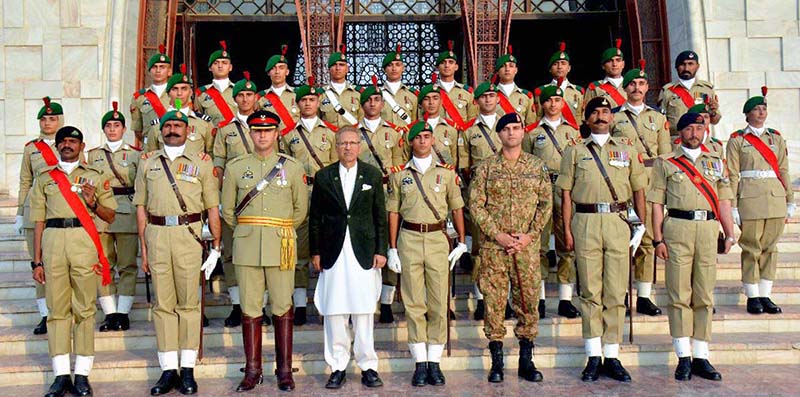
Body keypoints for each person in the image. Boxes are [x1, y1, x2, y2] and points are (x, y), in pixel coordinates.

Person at [557, 97, 647, 382]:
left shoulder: (627, 151)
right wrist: (568, 230)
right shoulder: (574, 152)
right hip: (585, 222)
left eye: (606, 112)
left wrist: (642, 226)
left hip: (618, 222)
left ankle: (612, 354)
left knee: (615, 291)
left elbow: (639, 191)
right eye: (595, 112)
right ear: (586, 119)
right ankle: (593, 355)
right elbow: (566, 194)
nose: (600, 116)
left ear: (612, 117)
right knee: (590, 292)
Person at [134, 108, 222, 396]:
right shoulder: (147, 163)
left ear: (187, 130)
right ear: (161, 131)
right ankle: (167, 368)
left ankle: (187, 369)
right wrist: (144, 248)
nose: (172, 129)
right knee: (162, 305)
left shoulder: (202, 163)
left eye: (178, 125)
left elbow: (211, 206)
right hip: (157, 234)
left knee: (188, 304)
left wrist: (216, 247)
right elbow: (141, 208)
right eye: (168, 125)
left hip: (189, 235)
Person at [221, 110, 308, 392]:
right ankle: (253, 370)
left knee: (283, 307)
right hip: (246, 245)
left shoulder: (292, 167)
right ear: (250, 133)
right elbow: (228, 211)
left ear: (276, 133)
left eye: (268, 130)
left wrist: (276, 228)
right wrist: (252, 228)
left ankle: (284, 370)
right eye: (257, 130)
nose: (262, 135)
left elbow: (300, 210)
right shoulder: (235, 167)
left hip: (281, 243)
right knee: (249, 308)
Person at [30, 126, 117, 397]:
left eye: (73, 141)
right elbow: (39, 221)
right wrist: (37, 262)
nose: (68, 145)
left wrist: (92, 203)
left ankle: (81, 374)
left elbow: (110, 215)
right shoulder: (45, 178)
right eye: (63, 141)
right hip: (53, 242)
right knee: (57, 311)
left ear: (82, 145)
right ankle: (60, 375)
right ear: (57, 146)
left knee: (84, 309)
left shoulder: (95, 176)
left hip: (83, 241)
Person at [649, 112, 735, 381]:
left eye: (700, 127)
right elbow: (656, 204)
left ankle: (701, 355)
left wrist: (730, 233)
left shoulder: (716, 162)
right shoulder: (666, 163)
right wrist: (658, 238)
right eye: (690, 128)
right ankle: (683, 356)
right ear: (681, 132)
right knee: (678, 293)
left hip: (708, 229)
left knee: (704, 294)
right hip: (677, 227)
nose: (695, 132)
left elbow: (723, 201)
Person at [470, 112, 551, 383]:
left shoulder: (536, 166)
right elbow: (476, 206)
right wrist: (498, 235)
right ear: (499, 134)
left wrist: (530, 236)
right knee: (493, 304)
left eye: (517, 128)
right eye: (507, 129)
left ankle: (526, 360)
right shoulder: (486, 168)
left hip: (526, 249)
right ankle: (497, 361)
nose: (512, 133)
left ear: (523, 132)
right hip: (495, 249)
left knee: (528, 302)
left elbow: (545, 205)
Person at [386, 122, 466, 387]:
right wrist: (393, 247)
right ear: (410, 141)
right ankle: (420, 362)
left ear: (433, 140)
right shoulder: (399, 175)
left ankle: (435, 361)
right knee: (413, 302)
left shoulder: (446, 173)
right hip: (409, 238)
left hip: (437, 239)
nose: (422, 141)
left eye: (426, 136)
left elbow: (457, 208)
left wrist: (462, 243)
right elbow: (394, 212)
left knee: (438, 301)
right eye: (417, 137)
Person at [310, 127, 387, 389]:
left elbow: (380, 216)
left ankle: (368, 366)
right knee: (335, 311)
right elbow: (316, 218)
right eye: (343, 143)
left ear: (360, 146)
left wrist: (381, 250)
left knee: (364, 310)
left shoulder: (372, 175)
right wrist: (316, 251)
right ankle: (338, 365)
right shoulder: (323, 176)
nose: (348, 148)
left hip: (363, 250)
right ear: (336, 145)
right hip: (333, 251)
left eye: (353, 143)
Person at [611, 60, 671, 316]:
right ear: (625, 88)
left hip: (649, 181)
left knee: (647, 240)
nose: (636, 88)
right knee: (623, 241)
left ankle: (644, 296)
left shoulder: (657, 118)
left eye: (641, 84)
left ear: (647, 88)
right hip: (623, 182)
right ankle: (621, 293)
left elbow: (666, 157)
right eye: (632, 84)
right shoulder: (613, 117)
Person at [726, 87, 793, 315]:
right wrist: (732, 204)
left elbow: (783, 169)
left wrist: (790, 199)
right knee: (752, 247)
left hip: (775, 197)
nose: (761, 112)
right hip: (750, 198)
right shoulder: (737, 139)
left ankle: (766, 293)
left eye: (764, 108)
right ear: (747, 114)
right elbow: (732, 173)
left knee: (770, 248)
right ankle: (752, 295)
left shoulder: (775, 137)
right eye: (756, 109)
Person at [281, 79, 339, 325]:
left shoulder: (330, 134)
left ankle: (330, 304)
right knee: (301, 249)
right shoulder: (288, 135)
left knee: (330, 248)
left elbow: (338, 166)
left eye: (312, 100)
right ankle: (301, 304)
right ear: (297, 103)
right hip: (299, 192)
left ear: (318, 103)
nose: (308, 103)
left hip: (325, 191)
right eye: (303, 100)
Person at [523, 82, 581, 319]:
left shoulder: (573, 132)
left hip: (567, 190)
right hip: (541, 190)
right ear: (541, 104)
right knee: (539, 246)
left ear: (563, 103)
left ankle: (566, 299)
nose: (553, 104)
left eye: (557, 100)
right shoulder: (532, 133)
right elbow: (526, 164)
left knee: (567, 244)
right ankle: (540, 298)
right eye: (548, 100)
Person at [213, 71, 265, 328]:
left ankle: (262, 305)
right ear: (234, 99)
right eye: (240, 95)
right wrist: (220, 198)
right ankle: (237, 305)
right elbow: (219, 165)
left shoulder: (266, 126)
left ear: (256, 98)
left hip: (264, 198)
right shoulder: (225, 130)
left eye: (249, 95)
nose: (245, 99)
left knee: (262, 253)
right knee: (233, 254)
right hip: (235, 198)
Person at [16, 97, 68, 335]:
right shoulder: (31, 148)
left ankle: (63, 310)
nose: (48, 123)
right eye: (44, 119)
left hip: (62, 211)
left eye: (53, 118)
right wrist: (20, 212)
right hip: (35, 211)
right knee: (39, 262)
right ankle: (45, 314)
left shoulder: (69, 143)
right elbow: (25, 180)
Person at [88, 103, 141, 332]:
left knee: (128, 264)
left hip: (127, 212)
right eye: (108, 125)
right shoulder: (93, 156)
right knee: (104, 264)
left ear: (123, 128)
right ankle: (110, 312)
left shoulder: (135, 155)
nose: (112, 129)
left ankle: (123, 311)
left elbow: (140, 186)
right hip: (101, 213)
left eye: (116, 125)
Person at [357, 79, 405, 323]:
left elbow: (399, 167)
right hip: (363, 195)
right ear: (362, 104)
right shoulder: (353, 133)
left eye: (377, 99)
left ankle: (386, 302)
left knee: (389, 242)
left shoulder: (393, 133)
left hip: (388, 193)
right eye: (369, 100)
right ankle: (366, 299)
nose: (373, 103)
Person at [458, 81, 501, 320]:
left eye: (492, 96)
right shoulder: (468, 130)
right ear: (476, 101)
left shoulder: (509, 126)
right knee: (480, 250)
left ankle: (503, 300)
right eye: (483, 97)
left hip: (506, 195)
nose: (488, 100)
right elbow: (464, 165)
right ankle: (482, 298)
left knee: (504, 248)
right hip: (479, 194)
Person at [145, 65, 214, 155]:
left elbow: (212, 155)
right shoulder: (157, 125)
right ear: (168, 93)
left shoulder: (204, 123)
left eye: (184, 89)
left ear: (190, 92)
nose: (179, 93)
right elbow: (150, 156)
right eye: (175, 89)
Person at [658, 50, 721, 136]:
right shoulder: (667, 91)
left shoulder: (707, 89)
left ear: (697, 66)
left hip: (701, 141)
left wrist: (713, 112)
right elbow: (660, 122)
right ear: (676, 67)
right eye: (683, 64)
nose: (686, 68)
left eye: (690, 64)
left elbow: (715, 121)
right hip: (677, 142)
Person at [534, 41, 584, 126]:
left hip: (572, 135)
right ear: (550, 69)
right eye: (555, 64)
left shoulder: (578, 92)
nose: (559, 67)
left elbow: (581, 119)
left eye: (563, 63)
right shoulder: (541, 91)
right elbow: (538, 118)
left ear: (569, 68)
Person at [130, 45, 172, 145]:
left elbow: (181, 115)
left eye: (162, 67)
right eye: (154, 67)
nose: (158, 70)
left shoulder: (177, 94)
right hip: (149, 147)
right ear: (149, 71)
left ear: (169, 71)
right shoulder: (139, 98)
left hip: (172, 144)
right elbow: (138, 130)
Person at [413, 79, 459, 167]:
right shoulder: (412, 129)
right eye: (426, 99)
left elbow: (454, 159)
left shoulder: (451, 129)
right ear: (420, 105)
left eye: (435, 98)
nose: (431, 103)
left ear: (441, 102)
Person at [433, 40, 476, 129]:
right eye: (443, 62)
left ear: (456, 67)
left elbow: (472, 121)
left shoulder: (467, 92)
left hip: (460, 140)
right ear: (437, 68)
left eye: (450, 62)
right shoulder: (430, 92)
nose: (447, 66)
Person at [257, 44, 300, 133]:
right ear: (268, 73)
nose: (277, 72)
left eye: (281, 68)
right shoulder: (261, 97)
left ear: (287, 72)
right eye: (273, 68)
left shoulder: (298, 94)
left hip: (294, 142)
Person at [196, 40, 238, 126]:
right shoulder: (201, 93)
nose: (220, 66)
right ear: (210, 68)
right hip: (211, 137)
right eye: (216, 63)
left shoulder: (239, 90)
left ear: (230, 67)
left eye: (224, 63)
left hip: (236, 137)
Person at [320, 46, 363, 128]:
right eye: (334, 65)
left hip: (351, 138)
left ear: (347, 69)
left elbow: (362, 122)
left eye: (341, 65)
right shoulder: (321, 94)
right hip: (329, 139)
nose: (338, 68)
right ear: (329, 69)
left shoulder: (358, 93)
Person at [494, 47, 536, 124]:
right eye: (503, 66)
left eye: (511, 66)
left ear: (516, 70)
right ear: (497, 72)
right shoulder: (491, 95)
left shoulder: (526, 96)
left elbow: (530, 126)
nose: (507, 69)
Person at [381, 45, 417, 128]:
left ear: (403, 68)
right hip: (384, 138)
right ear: (384, 69)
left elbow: (415, 124)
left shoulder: (413, 95)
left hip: (406, 139)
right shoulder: (377, 95)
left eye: (398, 65)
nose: (394, 68)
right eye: (390, 65)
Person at [584, 39, 627, 108]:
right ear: (603, 66)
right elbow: (587, 115)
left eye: (618, 60)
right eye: (610, 61)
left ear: (623, 64)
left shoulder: (631, 85)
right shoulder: (594, 87)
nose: (614, 64)